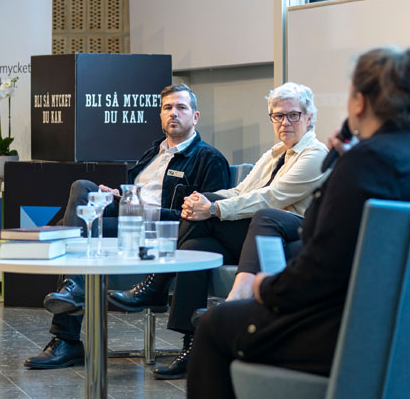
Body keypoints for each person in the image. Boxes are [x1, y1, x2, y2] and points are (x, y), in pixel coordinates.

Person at [186, 47, 410, 398]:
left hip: (359, 335)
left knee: (213, 325)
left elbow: (320, 263)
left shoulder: (366, 164)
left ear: (359, 103)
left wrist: (266, 288)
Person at [106, 82, 329, 379]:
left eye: (293, 115)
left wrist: (213, 209)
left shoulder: (315, 154)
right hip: (251, 232)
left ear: (309, 117)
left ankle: (157, 286)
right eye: (278, 116)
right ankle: (192, 346)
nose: (284, 122)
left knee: (224, 213)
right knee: (195, 246)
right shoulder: (275, 153)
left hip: (287, 237)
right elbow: (240, 190)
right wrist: (204, 200)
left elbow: (271, 198)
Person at [25, 83, 229, 370]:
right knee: (82, 189)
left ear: (195, 117)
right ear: (160, 115)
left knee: (72, 230)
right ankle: (73, 289)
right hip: (129, 219)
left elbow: (205, 218)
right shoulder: (151, 154)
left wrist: (147, 210)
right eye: (168, 108)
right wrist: (120, 196)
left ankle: (67, 335)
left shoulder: (210, 159)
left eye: (181, 107)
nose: (174, 113)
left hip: (160, 231)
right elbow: (135, 195)